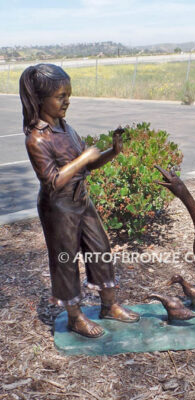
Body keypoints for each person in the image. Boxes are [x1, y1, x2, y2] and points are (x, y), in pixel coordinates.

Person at [19, 63, 140, 338]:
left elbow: (88, 165)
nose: (67, 101)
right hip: (58, 208)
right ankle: (74, 316)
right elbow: (51, 181)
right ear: (40, 100)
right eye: (60, 96)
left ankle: (109, 305)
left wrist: (112, 151)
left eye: (68, 95)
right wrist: (83, 158)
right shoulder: (37, 138)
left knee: (101, 249)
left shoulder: (66, 128)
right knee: (65, 260)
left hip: (81, 201)